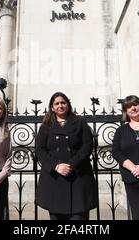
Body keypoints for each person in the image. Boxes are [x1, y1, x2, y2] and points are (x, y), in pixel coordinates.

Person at [35, 92, 97, 220]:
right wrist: (56, 166)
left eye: (63, 102)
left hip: (78, 178)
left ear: (68, 105)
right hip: (55, 179)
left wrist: (71, 165)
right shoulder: (46, 125)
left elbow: (87, 146)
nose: (60, 106)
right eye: (56, 104)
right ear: (52, 107)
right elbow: (40, 150)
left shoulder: (80, 122)